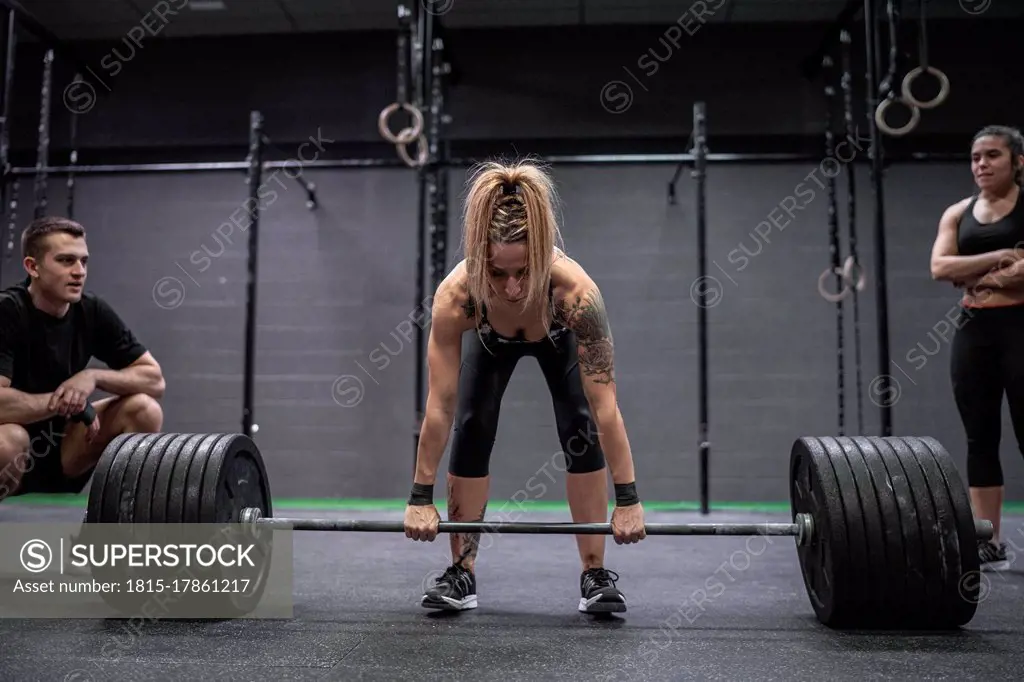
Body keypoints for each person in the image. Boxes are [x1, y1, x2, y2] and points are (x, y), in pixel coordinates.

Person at [403, 160, 646, 615]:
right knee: (472, 424)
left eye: (523, 272)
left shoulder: (574, 293)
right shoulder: (458, 297)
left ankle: (594, 573)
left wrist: (629, 499)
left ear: (541, 256)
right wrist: (420, 497)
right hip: (492, 342)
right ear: (480, 261)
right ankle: (462, 573)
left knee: (579, 422)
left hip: (557, 337)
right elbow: (440, 406)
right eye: (497, 274)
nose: (513, 288)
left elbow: (606, 407)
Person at [0, 216, 165, 501]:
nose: (79, 272)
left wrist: (93, 377)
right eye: (66, 261)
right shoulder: (7, 311)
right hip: (12, 449)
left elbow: (154, 380)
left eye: (83, 261)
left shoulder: (91, 311)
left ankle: (120, 524)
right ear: (32, 267)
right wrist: (69, 403)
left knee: (144, 409)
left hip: (67, 446)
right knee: (9, 440)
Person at [930, 125, 1024, 572]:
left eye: (992, 156)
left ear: (1017, 161)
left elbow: (958, 270)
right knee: (979, 437)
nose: (981, 165)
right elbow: (939, 266)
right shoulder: (957, 213)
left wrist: (972, 274)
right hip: (975, 329)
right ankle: (989, 541)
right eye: (975, 158)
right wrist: (1003, 258)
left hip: (1020, 327)